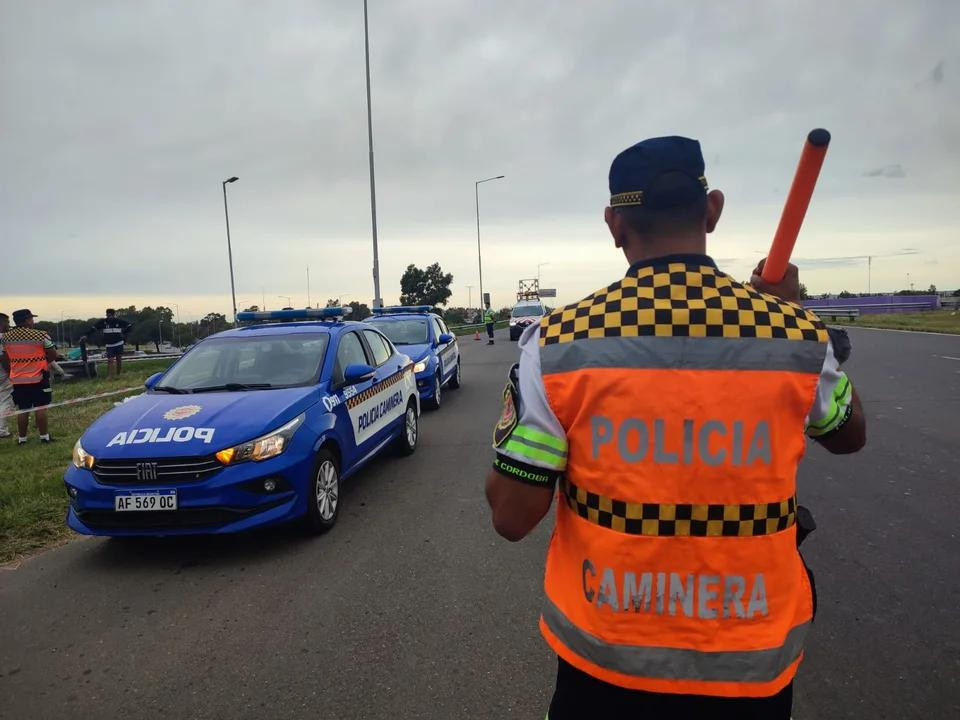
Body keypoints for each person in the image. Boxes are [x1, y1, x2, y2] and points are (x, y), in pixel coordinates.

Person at [484, 136, 866, 719]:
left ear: (614, 224)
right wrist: (797, 317)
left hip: (605, 667)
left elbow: (511, 516)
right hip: (750, 666)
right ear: (711, 209)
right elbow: (848, 433)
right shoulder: (795, 337)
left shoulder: (557, 344)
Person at [0, 309, 59, 444]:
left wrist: (13, 370)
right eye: (31, 319)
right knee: (40, 407)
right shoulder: (40, 335)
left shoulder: (6, 337)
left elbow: (5, 357)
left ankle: (22, 439)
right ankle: (44, 437)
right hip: (38, 377)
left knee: (23, 408)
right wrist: (44, 362)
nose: (33, 321)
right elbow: (53, 354)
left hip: (18, 378)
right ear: (26, 320)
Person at [86, 308, 130, 377]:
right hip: (109, 345)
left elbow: (129, 326)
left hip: (119, 343)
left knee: (118, 360)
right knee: (110, 360)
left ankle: (118, 374)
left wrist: (124, 333)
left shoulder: (119, 321)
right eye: (107, 315)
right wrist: (87, 335)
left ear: (113, 315)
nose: (108, 317)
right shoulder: (103, 322)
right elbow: (94, 328)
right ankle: (109, 376)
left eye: (109, 315)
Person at [0, 313, 13, 438]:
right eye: (7, 322)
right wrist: (10, 373)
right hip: (3, 374)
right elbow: (3, 357)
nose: (9, 325)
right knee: (6, 402)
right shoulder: (2, 338)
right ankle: (2, 430)